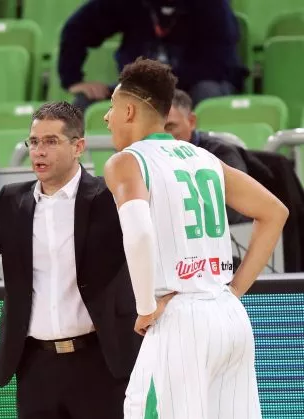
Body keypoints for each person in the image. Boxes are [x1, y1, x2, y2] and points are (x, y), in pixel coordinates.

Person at [0, 101, 141, 419]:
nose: (39, 151)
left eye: (51, 141)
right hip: (36, 368)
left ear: (78, 146)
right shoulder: (12, 202)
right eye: (34, 141)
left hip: (100, 364)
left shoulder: (108, 198)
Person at [102, 58, 288, 418]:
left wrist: (145, 307)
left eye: (111, 107)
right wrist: (235, 290)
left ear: (128, 111)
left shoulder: (126, 162)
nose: (107, 118)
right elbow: (274, 212)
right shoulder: (205, 158)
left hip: (180, 318)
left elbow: (138, 232)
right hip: (229, 315)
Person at [59, 0, 247, 111]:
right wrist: (73, 80)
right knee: (86, 102)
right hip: (141, 88)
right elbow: (76, 29)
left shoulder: (212, 5)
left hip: (193, 87)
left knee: (207, 92)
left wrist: (166, 87)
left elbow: (220, 64)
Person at [165, 88, 249, 224]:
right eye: (156, 128)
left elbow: (231, 213)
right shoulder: (148, 156)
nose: (162, 135)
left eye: (170, 127)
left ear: (191, 121)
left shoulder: (221, 154)